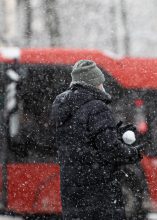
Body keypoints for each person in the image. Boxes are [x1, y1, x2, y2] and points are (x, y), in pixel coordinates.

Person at [51, 60, 144, 220]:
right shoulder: (97, 107)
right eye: (101, 82)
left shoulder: (62, 107)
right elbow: (110, 149)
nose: (103, 86)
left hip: (72, 191)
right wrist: (133, 154)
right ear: (94, 82)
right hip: (98, 192)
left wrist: (115, 132)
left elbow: (82, 139)